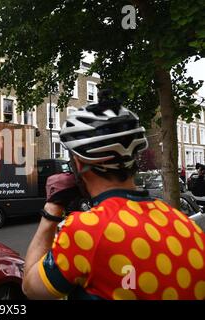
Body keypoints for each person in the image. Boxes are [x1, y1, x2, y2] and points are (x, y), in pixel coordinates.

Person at [22, 92, 205, 300]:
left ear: (79, 164)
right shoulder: (183, 223)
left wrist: (51, 211)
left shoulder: (85, 231)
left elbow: (31, 287)